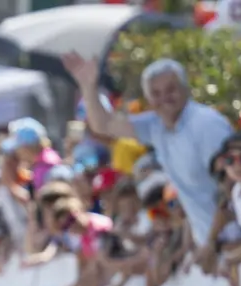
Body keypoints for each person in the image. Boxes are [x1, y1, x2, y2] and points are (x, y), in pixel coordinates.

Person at [65, 53, 231, 251]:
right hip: (213, 244)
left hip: (235, 241)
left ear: (185, 89)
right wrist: (88, 86)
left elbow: (230, 187)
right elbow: (103, 125)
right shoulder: (155, 125)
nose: (164, 98)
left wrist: (214, 245)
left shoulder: (207, 125)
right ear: (149, 99)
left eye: (171, 89)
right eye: (156, 93)